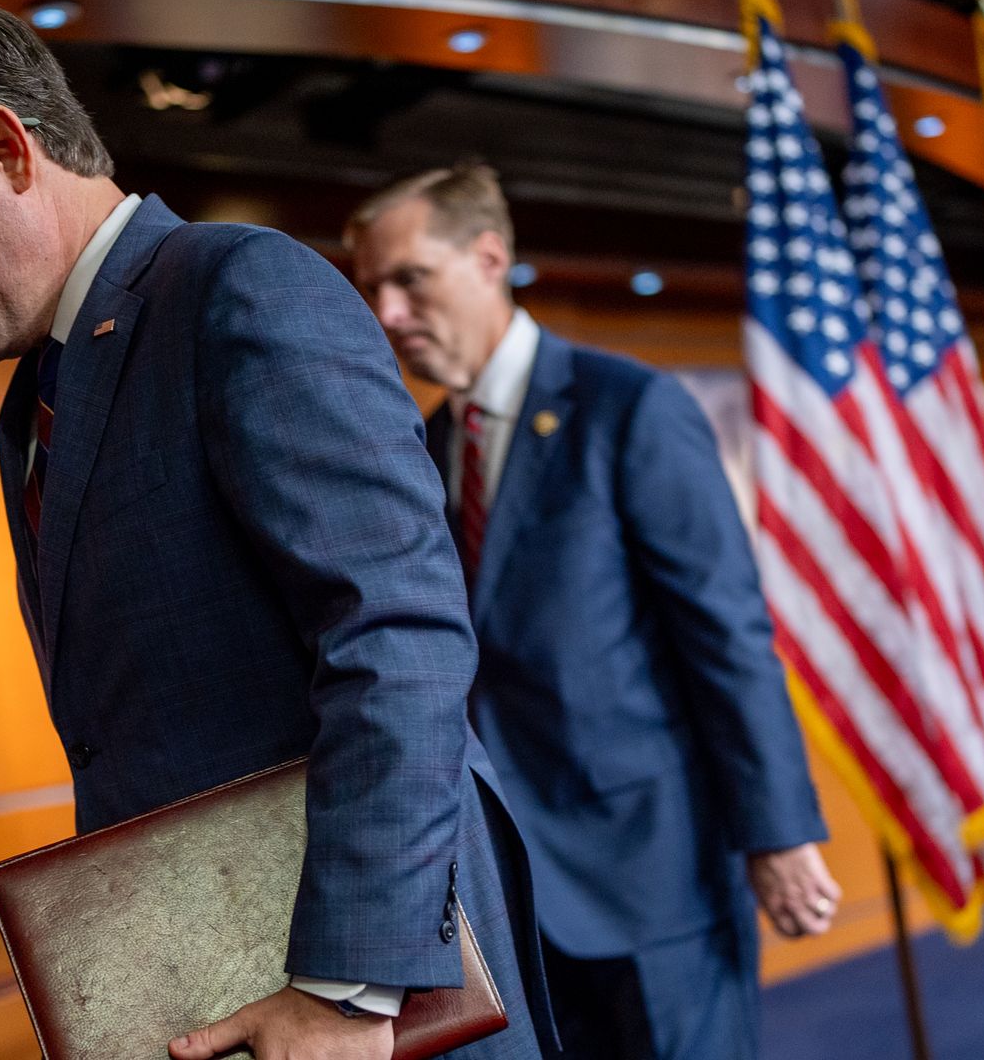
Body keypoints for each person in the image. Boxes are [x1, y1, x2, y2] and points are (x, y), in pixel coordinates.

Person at [0, 0, 546, 1060]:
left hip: (367, 1004)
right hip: (232, 983)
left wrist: (346, 990)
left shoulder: (240, 289)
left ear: (3, 145)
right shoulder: (31, 404)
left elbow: (399, 639)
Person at [344, 164, 836, 1060]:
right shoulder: (429, 445)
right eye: (371, 287)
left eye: (409, 279)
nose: (388, 313)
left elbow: (725, 636)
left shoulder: (632, 407)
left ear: (489, 257)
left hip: (658, 883)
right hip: (515, 899)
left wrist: (779, 833)